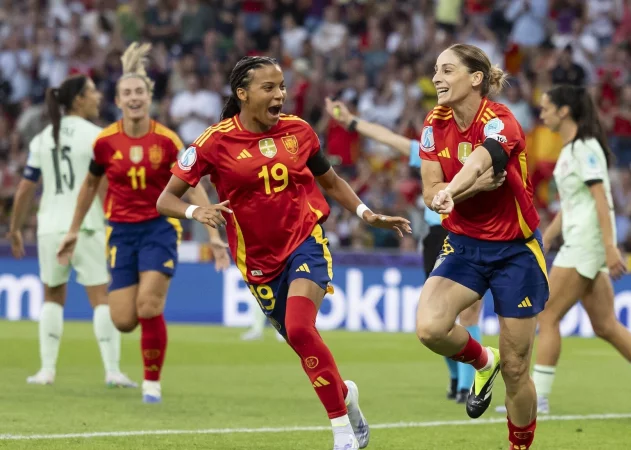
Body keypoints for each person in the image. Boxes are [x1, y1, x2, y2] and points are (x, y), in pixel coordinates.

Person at [156, 56, 411, 450]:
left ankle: (342, 433)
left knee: (299, 328)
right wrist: (196, 210)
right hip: (257, 262)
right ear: (242, 94)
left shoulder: (300, 132)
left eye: (282, 87)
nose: (280, 95)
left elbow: (331, 180)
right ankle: (346, 398)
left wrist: (366, 213)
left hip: (304, 241)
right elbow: (165, 200)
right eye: (269, 88)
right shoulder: (214, 142)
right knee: (301, 341)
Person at [56, 42, 229, 404]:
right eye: (127, 93)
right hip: (120, 231)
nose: (133, 97)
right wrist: (73, 230)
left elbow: (192, 187)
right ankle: (144, 354)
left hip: (159, 228)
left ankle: (152, 383)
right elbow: (89, 185)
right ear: (117, 101)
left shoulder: (166, 141)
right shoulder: (104, 142)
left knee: (149, 306)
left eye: (139, 91)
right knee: (123, 319)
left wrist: (213, 235)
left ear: (149, 96)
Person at [415, 43, 545, 450]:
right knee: (430, 328)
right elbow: (429, 190)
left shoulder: (502, 120)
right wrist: (445, 195)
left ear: (475, 78)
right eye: (436, 69)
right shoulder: (433, 124)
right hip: (465, 243)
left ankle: (519, 445)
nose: (437, 77)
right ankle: (481, 361)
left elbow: (480, 164)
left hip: (515, 251)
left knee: (518, 368)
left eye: (447, 70)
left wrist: (452, 191)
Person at [322, 97, 494, 403]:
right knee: (439, 316)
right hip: (438, 234)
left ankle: (467, 385)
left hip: (469, 232)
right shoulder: (432, 147)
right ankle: (458, 379)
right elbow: (388, 138)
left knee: (468, 312)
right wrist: (351, 122)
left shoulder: (481, 148)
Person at [529, 84, 631, 416]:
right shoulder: (570, 151)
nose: (542, 114)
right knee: (605, 324)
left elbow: (602, 200)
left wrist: (611, 247)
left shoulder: (585, 148)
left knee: (548, 314)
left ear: (564, 111)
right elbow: (572, 205)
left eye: (546, 107)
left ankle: (537, 399)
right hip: (583, 240)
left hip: (588, 242)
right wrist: (545, 238)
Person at [7, 75, 136, 388]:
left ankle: (46, 370)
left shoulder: (43, 138)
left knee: (52, 295)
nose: (97, 97)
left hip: (50, 226)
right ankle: (112, 371)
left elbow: (26, 188)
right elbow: (104, 184)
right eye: (92, 92)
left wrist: (14, 228)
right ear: (78, 99)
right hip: (86, 226)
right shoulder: (98, 136)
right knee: (101, 297)